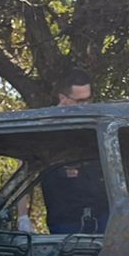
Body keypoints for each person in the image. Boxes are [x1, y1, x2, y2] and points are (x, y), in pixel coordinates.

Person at [17, 68, 109, 234]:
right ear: (63, 98)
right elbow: (22, 173)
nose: (86, 105)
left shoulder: (98, 124)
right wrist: (23, 217)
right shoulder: (43, 128)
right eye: (80, 101)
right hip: (66, 222)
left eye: (89, 99)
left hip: (103, 216)